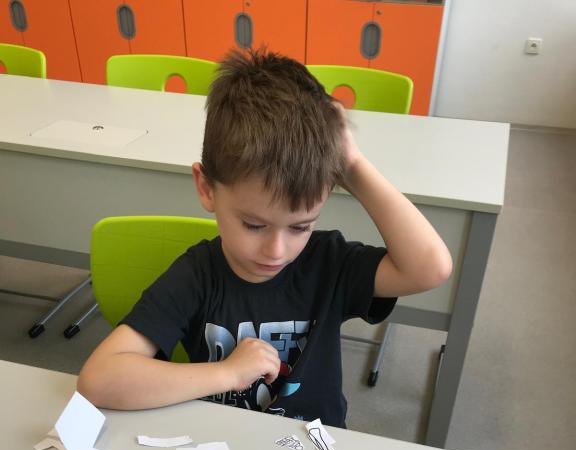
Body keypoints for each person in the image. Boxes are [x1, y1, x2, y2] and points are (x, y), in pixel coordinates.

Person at [78, 49, 452, 428]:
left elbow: (430, 268)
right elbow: (98, 380)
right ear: (206, 189)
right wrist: (227, 373)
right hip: (218, 442)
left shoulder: (329, 264)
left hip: (311, 446)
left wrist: (352, 164)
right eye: (254, 225)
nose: (276, 251)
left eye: (300, 227)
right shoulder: (197, 275)